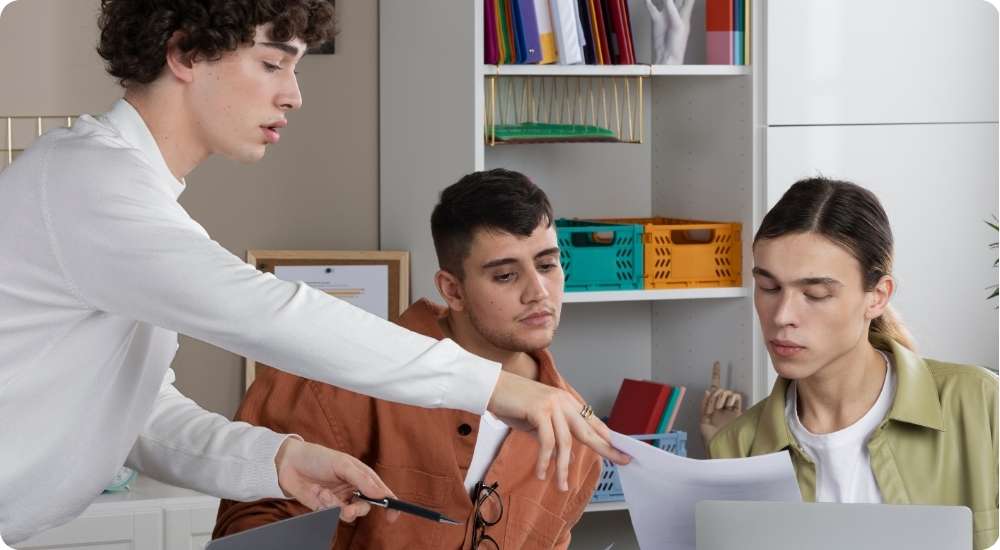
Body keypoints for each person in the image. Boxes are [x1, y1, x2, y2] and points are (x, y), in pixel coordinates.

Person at [0, 1, 625, 544]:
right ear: (185, 54)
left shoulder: (131, 198)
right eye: (273, 64)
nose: (294, 93)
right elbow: (266, 314)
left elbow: (137, 414)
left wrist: (279, 459)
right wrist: (499, 388)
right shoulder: (88, 183)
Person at [213, 169, 601, 549]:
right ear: (453, 290)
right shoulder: (327, 381)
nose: (538, 292)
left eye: (548, 265)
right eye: (505, 275)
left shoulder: (579, 436)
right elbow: (247, 531)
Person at [707, 177, 998, 550]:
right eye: (769, 288)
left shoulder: (978, 404)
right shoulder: (736, 449)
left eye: (815, 294)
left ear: (877, 297)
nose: (782, 315)